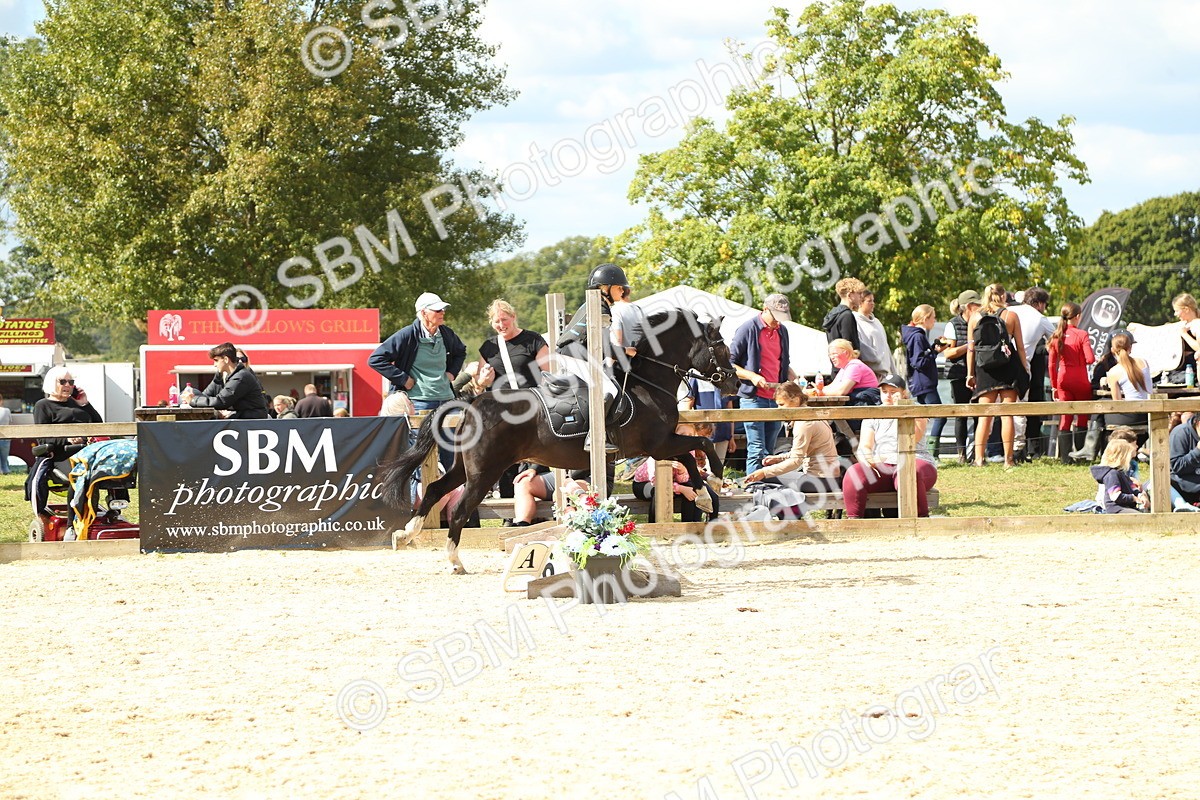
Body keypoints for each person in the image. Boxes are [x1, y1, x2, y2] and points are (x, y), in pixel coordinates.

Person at [368, 292, 467, 470]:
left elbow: (461, 351)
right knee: (419, 454)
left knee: (451, 454)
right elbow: (375, 359)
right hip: (418, 403)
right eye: (437, 309)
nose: (442, 312)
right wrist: (403, 379)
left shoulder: (446, 333)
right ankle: (416, 496)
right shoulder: (406, 335)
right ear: (423, 313)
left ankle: (452, 496)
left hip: (446, 400)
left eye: (443, 309)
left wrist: (452, 373)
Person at [842, 373, 939, 518]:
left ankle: (920, 521)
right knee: (854, 472)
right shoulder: (873, 414)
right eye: (884, 392)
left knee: (908, 472)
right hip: (883, 464)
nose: (888, 396)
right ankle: (854, 523)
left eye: (893, 392)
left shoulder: (916, 409)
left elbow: (913, 439)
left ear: (903, 393)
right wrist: (867, 460)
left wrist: (903, 409)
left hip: (915, 460)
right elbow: (864, 446)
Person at [555, 262, 629, 453]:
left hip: (573, 354)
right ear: (605, 288)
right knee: (609, 390)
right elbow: (603, 345)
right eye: (619, 287)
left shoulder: (592, 304)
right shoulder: (601, 308)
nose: (623, 291)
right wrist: (625, 352)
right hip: (575, 355)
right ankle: (593, 436)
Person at [26, 366, 104, 539]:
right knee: (79, 475)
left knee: (109, 470)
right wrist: (67, 439)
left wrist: (85, 403)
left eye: (71, 382)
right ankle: (71, 526)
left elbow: (99, 425)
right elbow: (42, 439)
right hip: (61, 454)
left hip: (87, 451)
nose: (67, 385)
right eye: (63, 382)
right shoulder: (43, 406)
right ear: (52, 383)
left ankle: (113, 510)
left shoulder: (77, 404)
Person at [743, 381, 840, 503]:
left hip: (819, 480)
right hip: (829, 479)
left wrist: (763, 472)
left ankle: (785, 516)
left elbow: (796, 461)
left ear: (796, 399)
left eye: (782, 404)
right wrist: (778, 458)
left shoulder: (804, 423)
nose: (779, 409)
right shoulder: (810, 413)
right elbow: (800, 452)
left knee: (760, 482)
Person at [730, 294, 794, 474]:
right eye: (776, 317)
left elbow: (779, 360)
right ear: (765, 309)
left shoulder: (782, 331)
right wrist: (752, 376)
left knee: (769, 450)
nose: (778, 322)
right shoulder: (747, 328)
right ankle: (754, 489)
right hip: (753, 397)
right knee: (757, 448)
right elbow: (729, 364)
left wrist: (789, 372)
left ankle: (766, 487)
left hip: (777, 398)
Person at [967, 283, 1028, 469]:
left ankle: (978, 459)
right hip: (1008, 366)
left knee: (984, 416)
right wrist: (1025, 368)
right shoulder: (1011, 315)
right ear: (1003, 296)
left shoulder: (975, 316)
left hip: (985, 368)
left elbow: (971, 349)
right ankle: (1008, 460)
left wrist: (970, 373)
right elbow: (1020, 345)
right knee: (1007, 414)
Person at [631, 423, 719, 523]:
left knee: (693, 490)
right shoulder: (661, 449)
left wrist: (682, 471)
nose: (686, 439)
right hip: (645, 484)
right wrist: (681, 489)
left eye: (690, 436)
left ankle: (691, 527)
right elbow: (656, 481)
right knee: (660, 491)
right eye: (682, 434)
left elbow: (684, 479)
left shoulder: (690, 452)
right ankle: (656, 527)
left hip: (671, 482)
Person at [1007, 287, 1056, 460]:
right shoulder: (1041, 319)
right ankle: (1018, 449)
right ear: (1039, 303)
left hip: (998, 364)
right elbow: (1057, 341)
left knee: (999, 410)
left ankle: (994, 451)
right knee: (1020, 409)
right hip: (1021, 367)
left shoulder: (1010, 310)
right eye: (1046, 304)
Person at [900, 304, 951, 459]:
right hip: (924, 383)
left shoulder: (918, 335)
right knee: (939, 416)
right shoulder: (917, 336)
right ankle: (931, 453)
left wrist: (933, 348)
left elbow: (921, 356)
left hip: (922, 383)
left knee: (925, 417)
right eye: (933, 317)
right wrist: (933, 351)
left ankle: (923, 451)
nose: (935, 321)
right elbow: (919, 361)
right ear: (925, 318)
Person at [1048, 301, 1095, 463]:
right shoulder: (1081, 334)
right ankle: (1080, 457)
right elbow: (1090, 358)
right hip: (1080, 379)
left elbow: (1051, 365)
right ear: (1077, 317)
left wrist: (1054, 386)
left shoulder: (1056, 336)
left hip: (1062, 380)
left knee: (1065, 418)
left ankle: (1065, 459)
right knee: (1082, 417)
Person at [943, 290, 982, 462]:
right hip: (958, 374)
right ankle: (962, 454)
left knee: (978, 414)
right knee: (961, 414)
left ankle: (977, 453)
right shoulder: (953, 324)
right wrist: (969, 346)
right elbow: (948, 353)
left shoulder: (981, 322)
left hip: (978, 373)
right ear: (968, 307)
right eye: (977, 304)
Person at [189, 342, 270, 419]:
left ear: (226, 359)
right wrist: (194, 397)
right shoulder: (228, 376)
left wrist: (193, 400)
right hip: (246, 421)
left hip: (253, 423)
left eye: (216, 360)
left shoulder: (241, 377)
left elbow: (221, 402)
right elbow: (208, 395)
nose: (214, 365)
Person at [1105, 332, 1153, 431]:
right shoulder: (1143, 362)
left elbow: (1117, 403)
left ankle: (1093, 445)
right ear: (1130, 348)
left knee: (1100, 408)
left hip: (1133, 416)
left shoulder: (1113, 372)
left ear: (1112, 350)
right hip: (1149, 413)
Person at [684, 377, 736, 463]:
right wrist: (692, 434)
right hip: (703, 432)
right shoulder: (696, 378)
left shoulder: (726, 379)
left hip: (723, 431)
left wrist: (731, 436)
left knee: (719, 466)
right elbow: (688, 405)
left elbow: (729, 408)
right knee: (704, 467)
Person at [1090, 439, 1148, 514]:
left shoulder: (1121, 472)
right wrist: (1133, 498)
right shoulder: (1112, 474)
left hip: (1126, 506)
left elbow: (1132, 487)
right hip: (1117, 508)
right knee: (1138, 517)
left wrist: (1140, 495)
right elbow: (1115, 496)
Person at [817, 339, 880, 406]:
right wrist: (814, 391)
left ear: (846, 353)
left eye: (834, 354)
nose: (832, 357)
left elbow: (841, 391)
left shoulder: (855, 366)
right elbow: (832, 387)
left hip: (865, 404)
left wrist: (820, 392)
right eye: (830, 355)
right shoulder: (845, 368)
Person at [854, 290, 893, 377]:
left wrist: (893, 371)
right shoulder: (855, 322)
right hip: (870, 373)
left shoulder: (877, 322)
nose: (872, 303)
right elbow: (861, 347)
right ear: (860, 303)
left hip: (885, 373)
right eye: (869, 301)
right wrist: (876, 359)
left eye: (873, 300)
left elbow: (886, 347)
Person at [822, 277, 865, 356]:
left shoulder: (832, 315)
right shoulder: (846, 315)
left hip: (837, 364)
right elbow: (850, 347)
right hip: (848, 365)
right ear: (849, 295)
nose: (862, 296)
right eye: (859, 293)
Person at [1170, 411, 1200, 505]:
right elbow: (1176, 466)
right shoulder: (1180, 433)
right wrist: (1197, 451)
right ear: (1198, 424)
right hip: (1184, 485)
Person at [1172, 293, 1200, 379]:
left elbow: (1199, 347)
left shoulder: (1197, 324)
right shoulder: (1183, 325)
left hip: (1191, 368)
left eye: (1177, 311)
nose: (1175, 314)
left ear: (1186, 309)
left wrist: (1184, 334)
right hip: (1180, 366)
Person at [0, 393, 11, 475]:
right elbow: (10, 422)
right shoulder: (6, 410)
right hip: (5, 438)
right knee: (4, 458)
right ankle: (6, 470)